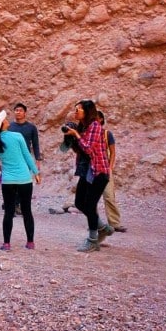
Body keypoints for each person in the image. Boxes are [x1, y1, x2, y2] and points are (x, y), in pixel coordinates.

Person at [0, 110, 41, 251]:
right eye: (4, 119)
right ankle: (30, 242)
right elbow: (27, 156)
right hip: (24, 179)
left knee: (8, 212)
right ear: (3, 124)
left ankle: (7, 243)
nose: (6, 119)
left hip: (8, 181)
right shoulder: (17, 136)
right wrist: (36, 172)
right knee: (27, 210)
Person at [63, 100, 114, 252]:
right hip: (87, 171)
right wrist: (70, 138)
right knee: (79, 202)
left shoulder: (95, 127)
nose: (75, 112)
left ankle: (92, 240)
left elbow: (89, 149)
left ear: (87, 111)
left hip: (99, 171)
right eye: (75, 109)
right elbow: (79, 151)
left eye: (78, 109)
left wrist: (77, 135)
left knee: (90, 205)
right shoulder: (83, 127)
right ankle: (103, 228)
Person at [98, 111, 126, 232]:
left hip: (104, 169)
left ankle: (114, 223)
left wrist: (110, 167)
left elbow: (113, 152)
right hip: (92, 170)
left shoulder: (106, 134)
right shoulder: (87, 134)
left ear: (101, 120)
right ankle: (95, 224)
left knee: (109, 196)